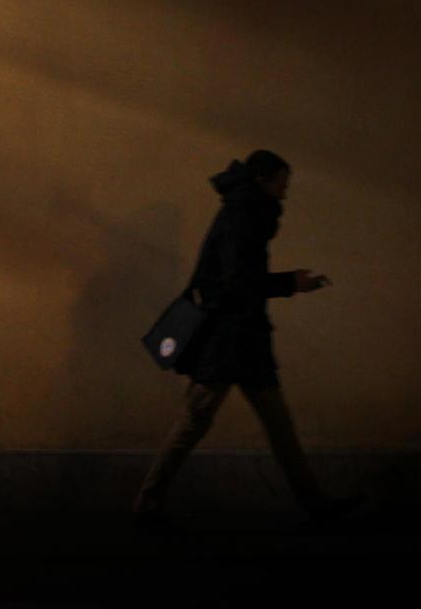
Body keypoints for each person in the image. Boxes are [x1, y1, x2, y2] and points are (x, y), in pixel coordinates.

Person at [133, 150, 361, 532]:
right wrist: (291, 283)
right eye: (281, 185)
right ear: (262, 181)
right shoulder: (244, 216)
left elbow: (238, 278)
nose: (284, 194)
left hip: (243, 338)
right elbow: (239, 281)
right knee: (197, 420)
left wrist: (286, 284)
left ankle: (317, 505)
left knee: (271, 423)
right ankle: (146, 504)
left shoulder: (246, 211)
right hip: (229, 339)